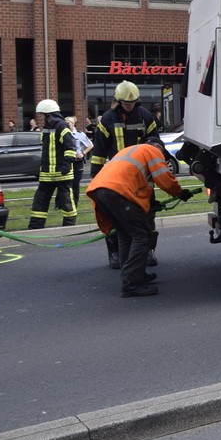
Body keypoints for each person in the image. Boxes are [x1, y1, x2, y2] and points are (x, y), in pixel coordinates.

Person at [87, 139, 192, 297]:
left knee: (125, 233)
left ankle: (133, 274)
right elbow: (164, 177)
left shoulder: (130, 151)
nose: (162, 158)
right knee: (141, 234)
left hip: (100, 191)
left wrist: (150, 203)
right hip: (117, 192)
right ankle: (131, 283)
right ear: (158, 147)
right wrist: (180, 193)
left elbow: (140, 184)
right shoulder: (152, 150)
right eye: (163, 154)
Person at [91, 81, 162, 269]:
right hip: (117, 180)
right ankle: (114, 253)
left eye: (132, 103)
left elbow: (156, 143)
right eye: (126, 103)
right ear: (118, 101)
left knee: (147, 216)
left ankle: (147, 251)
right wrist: (96, 177)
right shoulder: (107, 119)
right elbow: (99, 151)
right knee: (115, 217)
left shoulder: (145, 116)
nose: (129, 106)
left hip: (142, 178)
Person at [28, 100, 78, 229]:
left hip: (62, 173)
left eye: (44, 115)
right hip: (47, 173)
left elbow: (71, 147)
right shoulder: (47, 128)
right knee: (40, 201)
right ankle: (35, 227)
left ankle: (69, 226)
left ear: (50, 114)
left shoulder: (62, 126)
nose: (42, 117)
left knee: (66, 201)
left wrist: (66, 166)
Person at [65, 116, 93, 210]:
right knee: (65, 183)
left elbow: (90, 145)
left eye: (70, 122)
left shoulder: (79, 134)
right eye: (67, 122)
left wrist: (83, 153)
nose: (68, 124)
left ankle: (75, 203)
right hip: (66, 161)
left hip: (77, 162)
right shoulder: (63, 134)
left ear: (74, 124)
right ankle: (63, 203)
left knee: (75, 184)